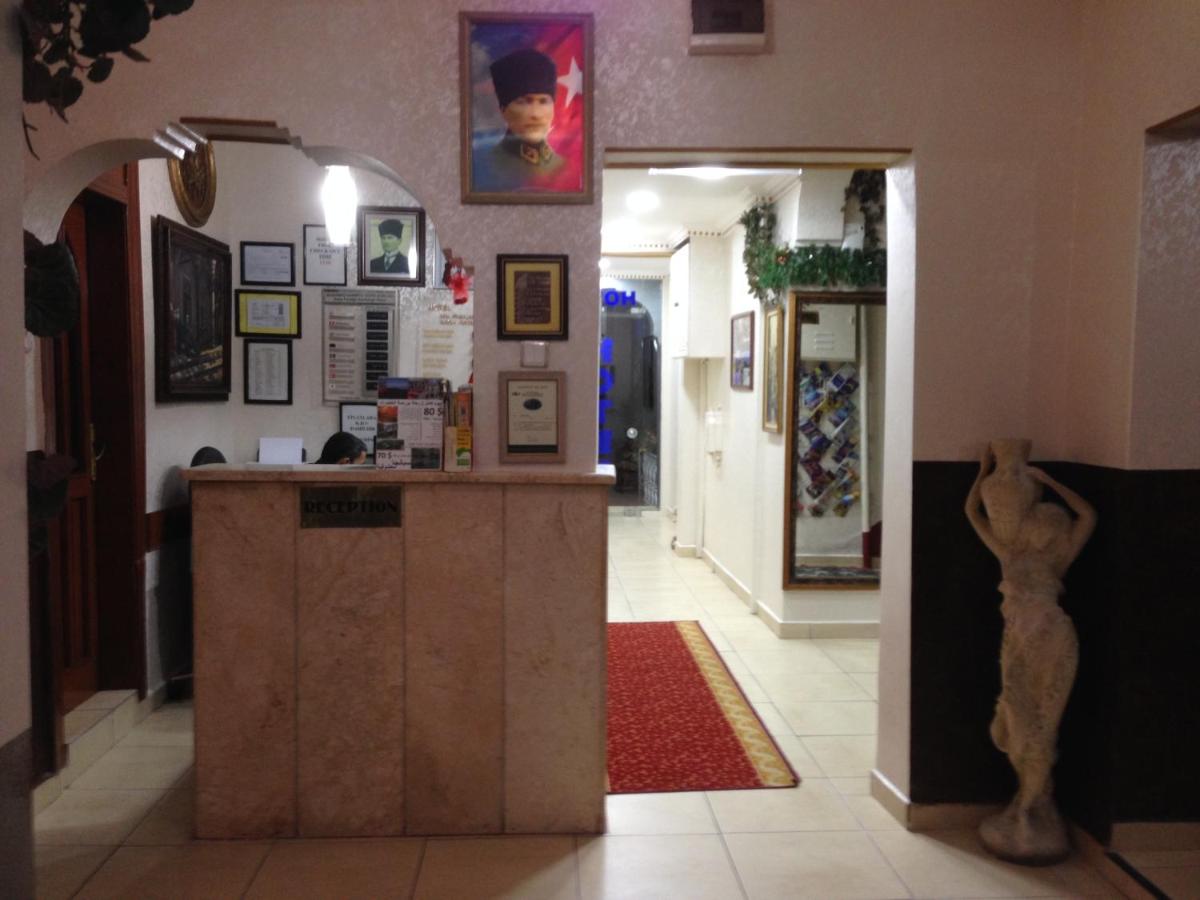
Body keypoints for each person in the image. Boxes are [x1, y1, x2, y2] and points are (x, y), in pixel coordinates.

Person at [473, 48, 564, 192]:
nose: (536, 114)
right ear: (503, 109)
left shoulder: (564, 167)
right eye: (524, 102)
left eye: (543, 101)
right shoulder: (483, 166)